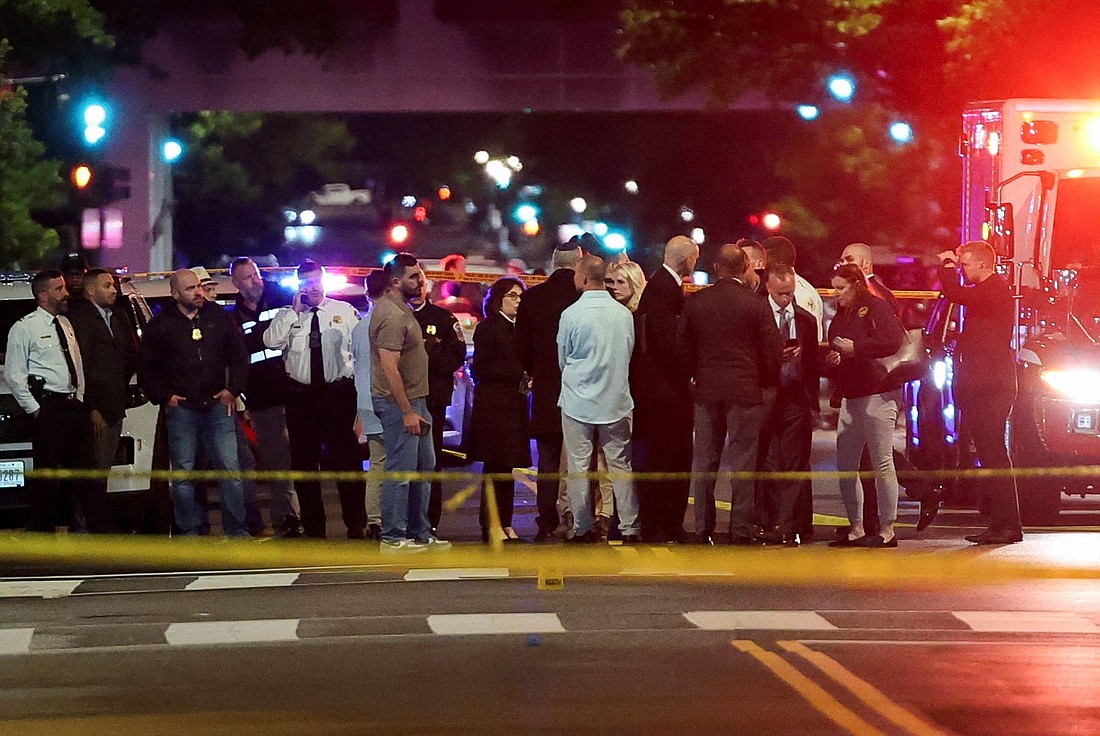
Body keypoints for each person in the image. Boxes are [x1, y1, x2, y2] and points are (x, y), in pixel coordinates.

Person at [678, 245, 781, 544]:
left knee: (705, 461)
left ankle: (702, 527)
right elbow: (772, 350)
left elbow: (682, 347)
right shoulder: (755, 304)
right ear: (745, 265)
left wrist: (693, 377)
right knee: (743, 462)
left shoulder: (697, 302)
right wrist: (761, 379)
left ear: (716, 267)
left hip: (707, 390)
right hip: (745, 390)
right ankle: (740, 529)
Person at [138, 269, 250, 537]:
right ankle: (189, 531)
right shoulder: (161, 325)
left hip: (217, 406)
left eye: (198, 287)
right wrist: (165, 397)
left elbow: (239, 357)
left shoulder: (219, 318)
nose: (198, 292)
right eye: (190, 289)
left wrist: (232, 391)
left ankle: (236, 530)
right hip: (183, 410)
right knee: (184, 475)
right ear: (175, 293)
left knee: (230, 471)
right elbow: (146, 368)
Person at [263, 260, 365, 540]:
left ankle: (356, 523)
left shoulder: (343, 312)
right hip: (301, 398)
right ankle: (314, 528)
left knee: (347, 461)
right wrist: (293, 313)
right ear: (300, 286)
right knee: (305, 465)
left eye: (317, 281)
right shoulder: (287, 314)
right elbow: (271, 341)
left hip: (337, 395)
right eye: (307, 283)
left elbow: (360, 348)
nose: (314, 287)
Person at [837, 242, 934, 532]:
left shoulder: (873, 296)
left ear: (865, 265)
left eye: (849, 258)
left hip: (877, 382)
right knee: (870, 454)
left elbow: (885, 339)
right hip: (867, 383)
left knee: (875, 456)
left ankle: (914, 496)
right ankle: (869, 522)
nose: (842, 262)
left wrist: (857, 350)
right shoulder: (864, 293)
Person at [5, 270, 110, 533]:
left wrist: (81, 399)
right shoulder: (24, 328)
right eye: (58, 289)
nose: (65, 293)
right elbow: (14, 375)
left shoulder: (65, 324)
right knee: (47, 475)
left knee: (87, 472)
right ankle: (42, 529)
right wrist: (37, 409)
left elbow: (77, 365)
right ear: (42, 295)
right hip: (49, 406)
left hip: (73, 405)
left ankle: (100, 530)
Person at [936, 242, 1022, 545]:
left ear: (984, 265)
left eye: (966, 265)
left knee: (995, 454)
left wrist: (946, 268)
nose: (962, 270)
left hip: (993, 386)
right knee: (990, 454)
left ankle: (1008, 524)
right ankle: (1001, 522)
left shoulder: (995, 288)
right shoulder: (988, 291)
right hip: (983, 385)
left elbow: (955, 294)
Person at [370, 253, 451, 553]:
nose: (420, 281)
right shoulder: (391, 315)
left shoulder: (402, 311)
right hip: (399, 405)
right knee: (401, 471)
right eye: (414, 276)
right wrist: (406, 411)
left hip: (417, 401)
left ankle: (420, 531)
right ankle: (392, 536)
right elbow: (389, 367)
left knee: (423, 468)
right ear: (395, 281)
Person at [557, 255, 639, 543]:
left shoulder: (571, 315)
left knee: (578, 467)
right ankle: (630, 527)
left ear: (582, 277)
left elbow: (563, 358)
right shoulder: (623, 314)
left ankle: (582, 526)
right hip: (616, 399)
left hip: (578, 400)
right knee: (620, 466)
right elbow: (628, 353)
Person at [825, 264, 905, 548]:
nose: (837, 294)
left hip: (878, 392)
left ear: (857, 285)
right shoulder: (842, 314)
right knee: (847, 464)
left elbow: (892, 340)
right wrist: (834, 359)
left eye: (842, 288)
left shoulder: (876, 307)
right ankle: (856, 527)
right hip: (852, 393)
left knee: (882, 461)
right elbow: (834, 344)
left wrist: (855, 349)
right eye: (835, 288)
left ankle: (887, 529)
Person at [228, 257, 302, 538]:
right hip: (262, 398)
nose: (255, 281)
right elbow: (238, 358)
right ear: (235, 283)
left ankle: (305, 517)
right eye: (246, 278)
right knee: (277, 462)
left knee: (300, 459)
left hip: (295, 391)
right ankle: (287, 519)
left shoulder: (282, 297)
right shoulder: (233, 317)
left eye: (256, 275)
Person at [514, 240, 583, 542]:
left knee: (548, 459)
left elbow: (521, 346)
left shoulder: (533, 298)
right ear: (577, 265)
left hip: (546, 388)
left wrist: (537, 371)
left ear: (555, 263)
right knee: (579, 459)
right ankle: (577, 518)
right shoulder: (583, 297)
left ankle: (546, 520)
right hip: (581, 388)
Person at [632, 236, 698, 543]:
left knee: (664, 458)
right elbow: (667, 343)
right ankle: (663, 523)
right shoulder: (663, 289)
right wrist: (691, 371)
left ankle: (664, 522)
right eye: (694, 257)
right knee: (668, 458)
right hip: (665, 394)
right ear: (685, 260)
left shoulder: (660, 285)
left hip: (660, 392)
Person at [756, 265, 820, 545]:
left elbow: (813, 364)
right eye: (781, 294)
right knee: (768, 461)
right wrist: (774, 359)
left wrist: (814, 402)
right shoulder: (757, 315)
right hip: (766, 394)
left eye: (790, 294)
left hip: (795, 396)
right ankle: (769, 520)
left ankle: (789, 524)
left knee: (794, 463)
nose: (785, 299)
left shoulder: (805, 320)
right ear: (768, 286)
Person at [67, 268, 138, 519]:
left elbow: (129, 356)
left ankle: (95, 524)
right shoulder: (82, 319)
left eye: (113, 285)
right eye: (107, 286)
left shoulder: (115, 317)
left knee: (102, 470)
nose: (114, 290)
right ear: (90, 290)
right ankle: (84, 525)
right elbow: (81, 367)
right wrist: (92, 407)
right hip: (96, 410)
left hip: (113, 406)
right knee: (91, 471)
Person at [469, 277, 530, 543]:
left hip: (514, 404)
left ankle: (506, 522)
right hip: (494, 404)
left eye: (520, 297)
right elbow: (480, 367)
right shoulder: (488, 328)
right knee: (494, 468)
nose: (518, 301)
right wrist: (517, 373)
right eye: (512, 296)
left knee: (508, 469)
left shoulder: (521, 329)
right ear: (498, 300)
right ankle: (491, 523)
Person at [409, 271, 467, 533]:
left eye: (422, 284)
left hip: (432, 399)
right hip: (401, 400)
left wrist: (431, 360)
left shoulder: (442, 319)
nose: (419, 288)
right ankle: (403, 520)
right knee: (402, 463)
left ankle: (430, 521)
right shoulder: (395, 317)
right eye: (414, 283)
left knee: (430, 462)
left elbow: (457, 354)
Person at [352, 269, 391, 540]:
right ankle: (390, 521)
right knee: (396, 463)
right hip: (388, 400)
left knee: (377, 462)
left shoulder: (358, 327)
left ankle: (375, 520)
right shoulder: (388, 322)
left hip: (366, 401)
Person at [762, 236, 824, 341]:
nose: (762, 264)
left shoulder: (803, 293)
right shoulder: (768, 286)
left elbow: (808, 339)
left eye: (765, 259)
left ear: (780, 263)